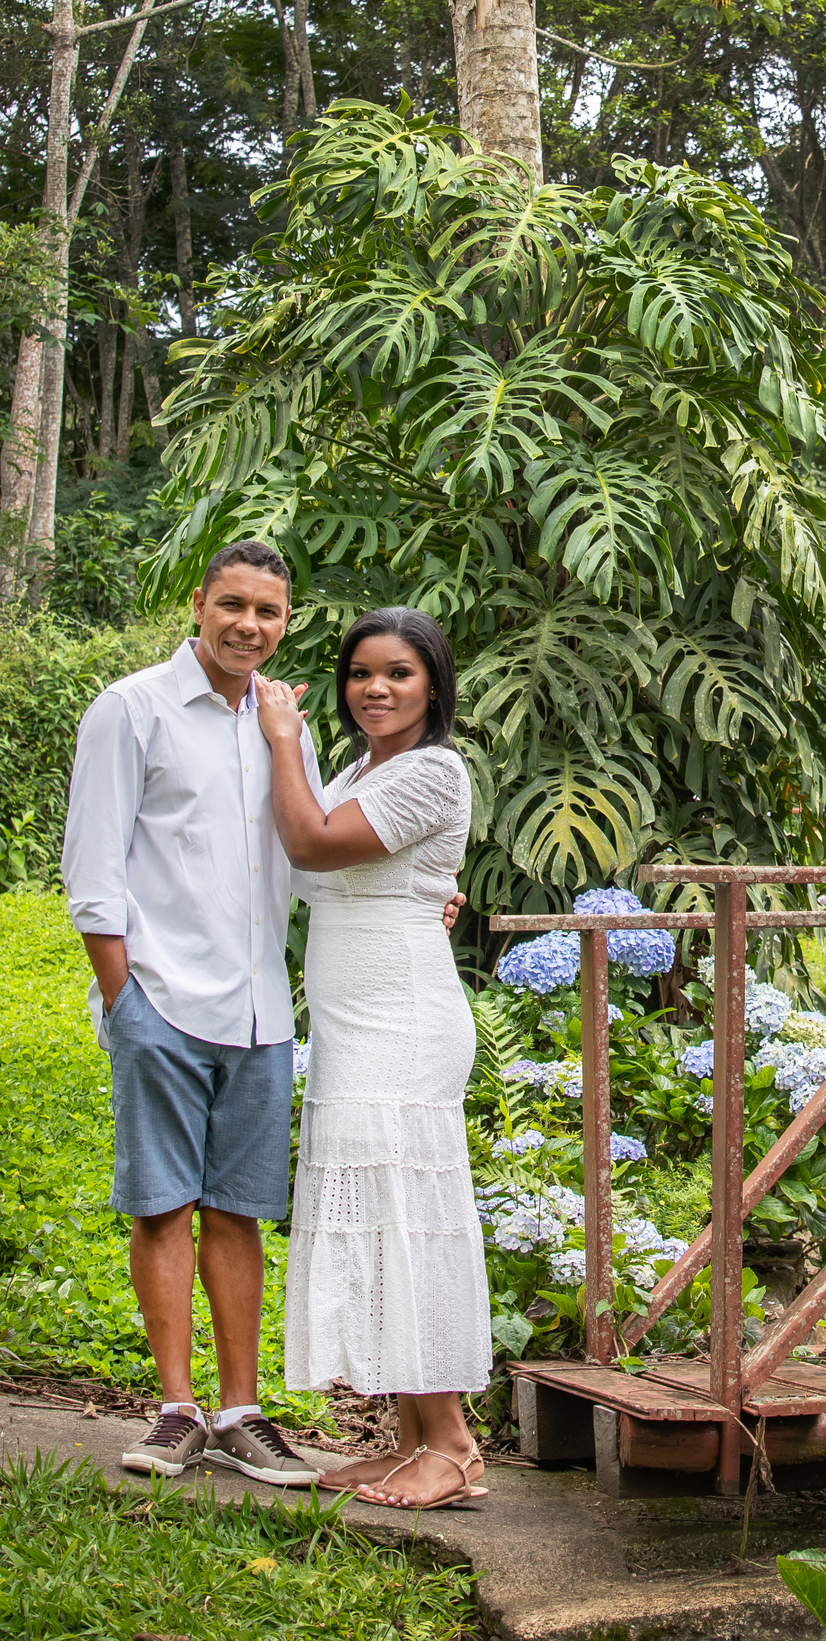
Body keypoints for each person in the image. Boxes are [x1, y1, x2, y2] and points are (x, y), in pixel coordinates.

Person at [61, 543, 464, 1484]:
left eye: (269, 613)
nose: (249, 625)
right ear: (198, 604)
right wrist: (124, 994)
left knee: (238, 1209)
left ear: (287, 624)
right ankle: (174, 1410)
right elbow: (93, 867)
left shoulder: (286, 725)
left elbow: (315, 847)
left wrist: (421, 898)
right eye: (232, 605)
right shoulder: (132, 710)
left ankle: (240, 1411)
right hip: (161, 996)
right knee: (162, 1203)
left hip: (260, 1011)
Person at [254, 605, 492, 1511]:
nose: (375, 689)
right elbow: (339, 871)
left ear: (432, 682)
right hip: (357, 1011)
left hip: (402, 1013)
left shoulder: (433, 769)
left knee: (402, 1211)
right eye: (360, 674)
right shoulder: (365, 768)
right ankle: (408, 1441)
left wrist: (282, 737)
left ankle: (456, 1445)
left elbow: (313, 841)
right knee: (378, 1214)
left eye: (397, 673)